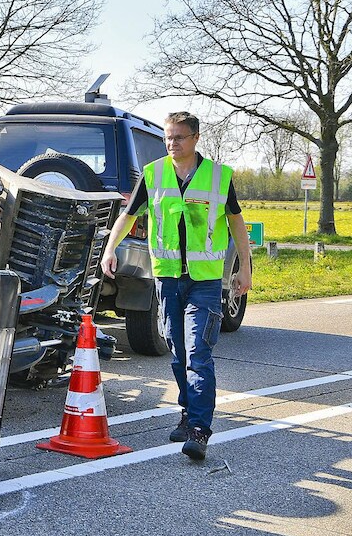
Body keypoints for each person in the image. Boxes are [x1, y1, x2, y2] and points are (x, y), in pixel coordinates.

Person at [101, 112, 252, 460]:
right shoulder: (153, 174)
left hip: (205, 281)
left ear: (196, 137)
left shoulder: (218, 176)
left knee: (198, 352)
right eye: (168, 137)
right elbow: (129, 215)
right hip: (167, 278)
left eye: (180, 137)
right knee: (178, 352)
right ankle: (188, 413)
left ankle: (199, 428)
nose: (172, 144)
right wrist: (110, 249)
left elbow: (236, 223)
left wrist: (245, 268)